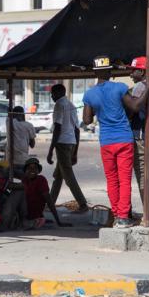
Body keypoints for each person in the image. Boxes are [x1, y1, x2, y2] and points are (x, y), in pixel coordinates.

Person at [82, 56, 149, 228]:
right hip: (124, 139)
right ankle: (123, 217)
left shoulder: (89, 94)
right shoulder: (120, 88)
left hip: (106, 141)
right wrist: (148, 89)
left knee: (112, 180)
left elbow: (87, 120)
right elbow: (135, 107)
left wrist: (96, 107)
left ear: (95, 72)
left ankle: (116, 215)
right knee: (124, 179)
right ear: (109, 72)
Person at [47, 84, 88, 212]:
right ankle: (50, 203)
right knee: (58, 176)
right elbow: (77, 130)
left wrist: (50, 150)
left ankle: (82, 204)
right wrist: (75, 152)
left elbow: (57, 128)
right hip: (71, 143)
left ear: (59, 93)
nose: (52, 96)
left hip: (62, 143)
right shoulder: (71, 105)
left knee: (68, 176)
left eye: (53, 93)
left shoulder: (59, 104)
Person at [127, 56, 149, 205]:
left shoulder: (140, 87)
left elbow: (132, 110)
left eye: (133, 71)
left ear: (141, 72)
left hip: (140, 137)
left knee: (142, 176)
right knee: (148, 178)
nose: (131, 74)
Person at [22, 157, 70, 229]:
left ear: (38, 171)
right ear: (25, 171)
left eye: (35, 168)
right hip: (26, 213)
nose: (32, 170)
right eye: (29, 168)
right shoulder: (24, 180)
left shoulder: (41, 180)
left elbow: (49, 200)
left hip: (34, 215)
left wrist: (58, 221)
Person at [6, 106, 36, 178]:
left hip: (10, 161)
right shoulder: (29, 125)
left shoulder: (9, 123)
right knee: (25, 180)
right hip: (23, 161)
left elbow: (8, 115)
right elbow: (32, 145)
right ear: (23, 114)